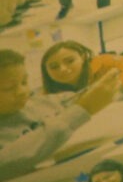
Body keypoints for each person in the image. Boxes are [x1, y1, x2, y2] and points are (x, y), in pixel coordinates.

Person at [0, 46, 116, 174]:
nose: (22, 92)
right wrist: (82, 110)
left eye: (24, 82)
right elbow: (9, 160)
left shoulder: (39, 102)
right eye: (8, 88)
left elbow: (84, 96)